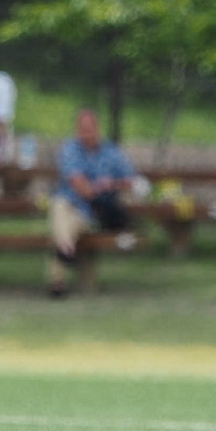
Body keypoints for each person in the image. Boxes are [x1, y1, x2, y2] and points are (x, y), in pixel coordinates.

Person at [48, 109, 135, 298]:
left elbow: (131, 181)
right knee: (59, 207)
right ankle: (66, 249)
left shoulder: (111, 152)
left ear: (97, 129)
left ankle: (59, 276)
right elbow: (79, 185)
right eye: (82, 129)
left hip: (92, 212)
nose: (86, 133)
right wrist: (97, 187)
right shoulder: (70, 149)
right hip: (69, 202)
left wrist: (112, 183)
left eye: (89, 128)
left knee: (66, 224)